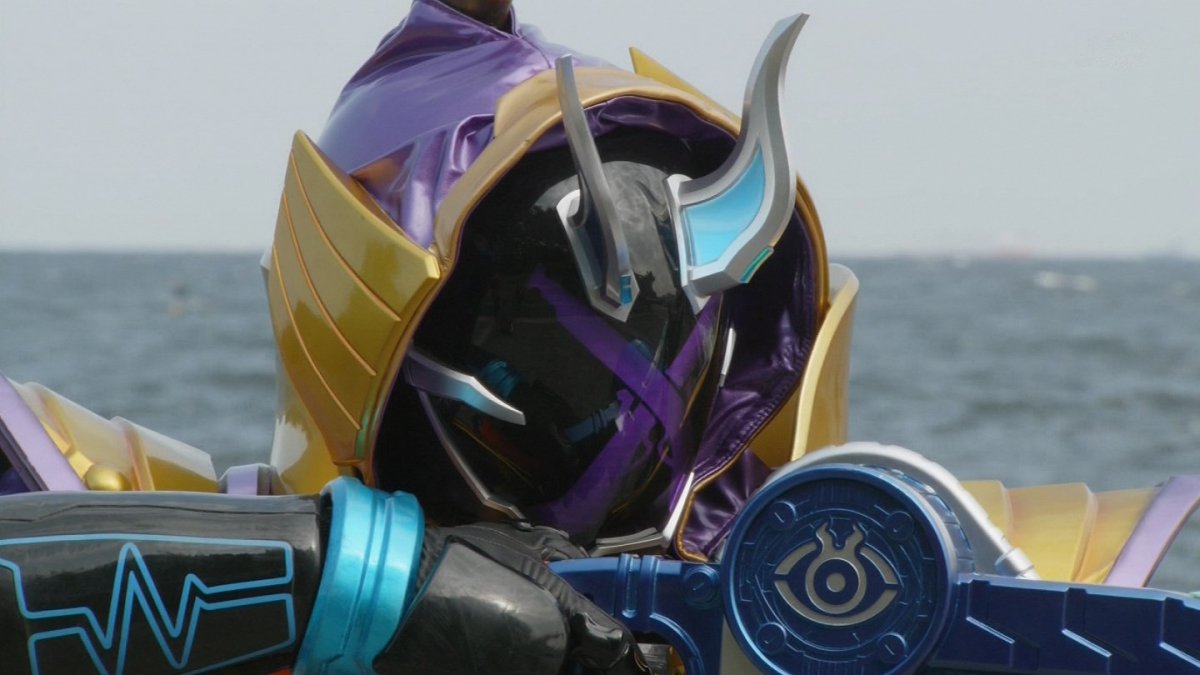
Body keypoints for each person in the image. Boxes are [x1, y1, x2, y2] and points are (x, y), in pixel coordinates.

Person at [0, 1, 832, 672]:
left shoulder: (754, 606)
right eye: (537, 353)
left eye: (651, 365)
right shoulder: (113, 498)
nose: (604, 423)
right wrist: (376, 584)